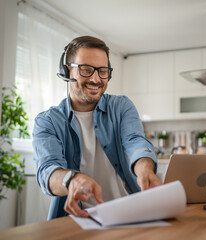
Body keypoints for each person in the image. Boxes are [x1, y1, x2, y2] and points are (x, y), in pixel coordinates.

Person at [32, 36, 162, 220]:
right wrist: (72, 180)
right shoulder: (47, 122)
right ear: (69, 70)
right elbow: (47, 170)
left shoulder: (121, 106)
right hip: (80, 221)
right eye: (86, 70)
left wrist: (144, 169)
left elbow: (135, 141)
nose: (96, 79)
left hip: (131, 214)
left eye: (102, 71)